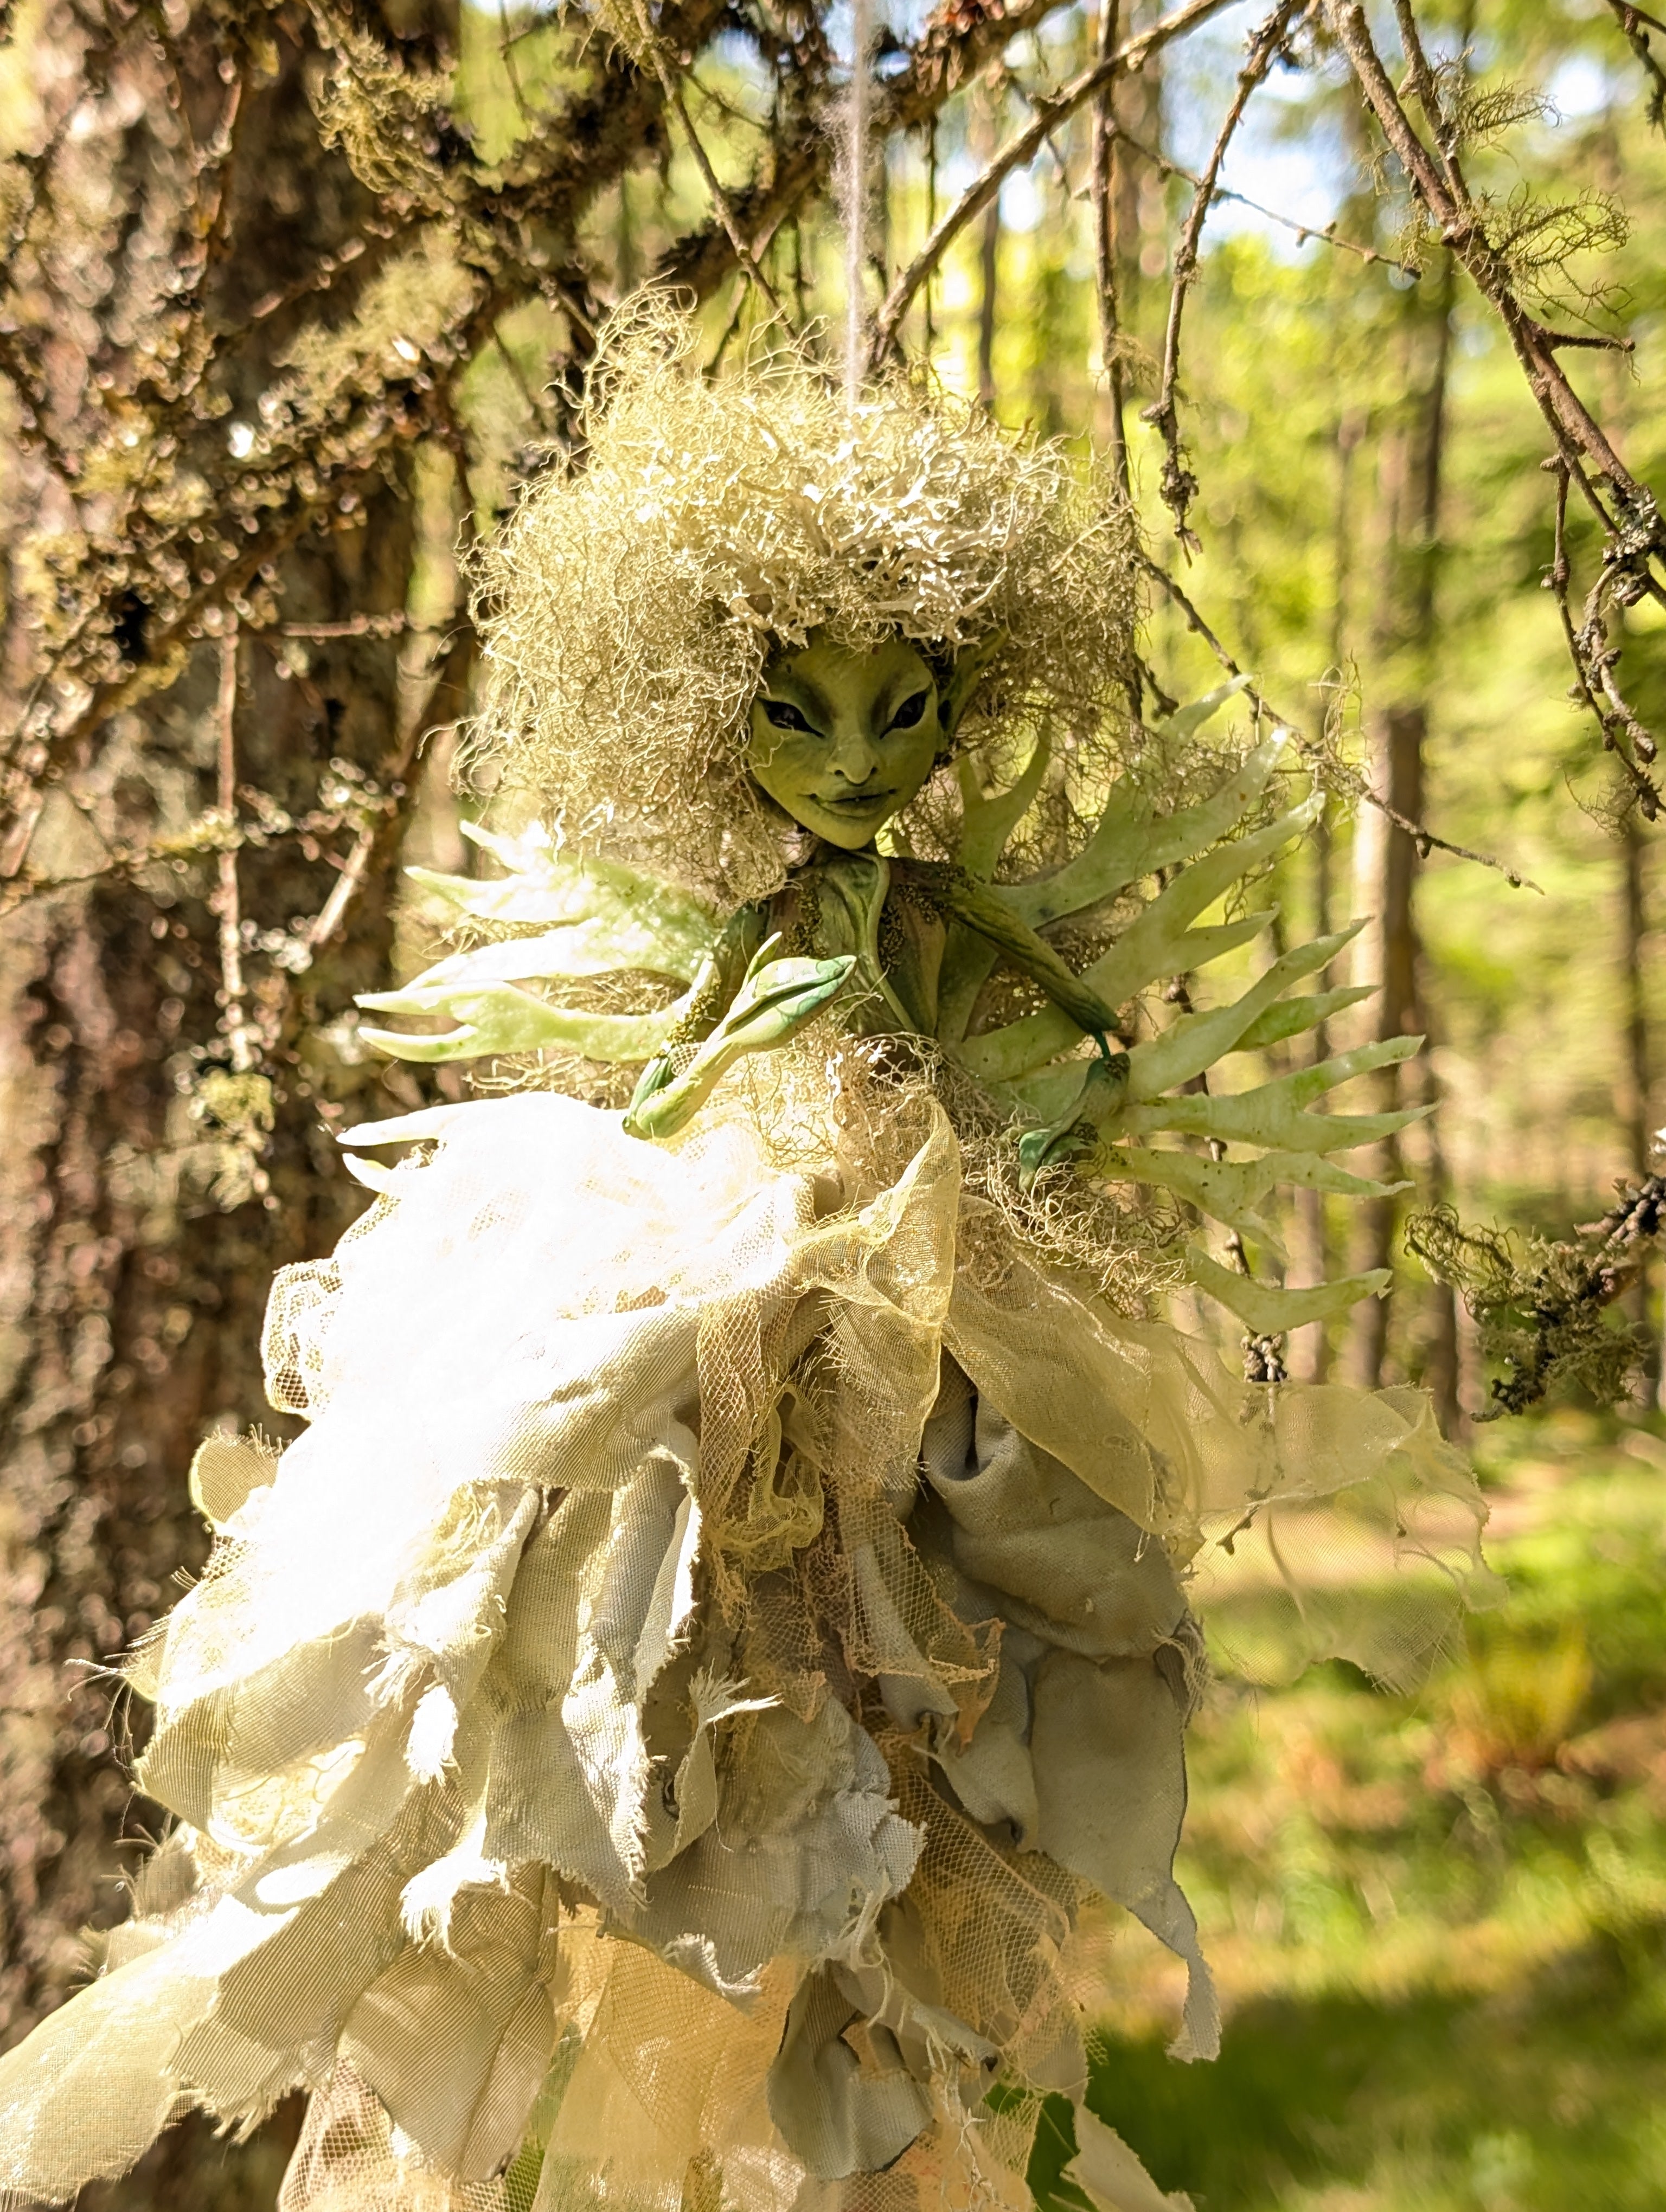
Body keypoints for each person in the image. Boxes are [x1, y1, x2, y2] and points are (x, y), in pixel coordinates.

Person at [0, 299, 1490, 2212]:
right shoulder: (743, 925)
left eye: (908, 706)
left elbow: (1057, 1036)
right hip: (739, 1244)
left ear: (972, 695)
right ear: (718, 715)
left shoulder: (950, 920)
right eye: (802, 710)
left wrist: (1039, 1118)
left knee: (920, 1613)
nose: (861, 761)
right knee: (607, 1510)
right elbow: (687, 1053)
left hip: (929, 1291)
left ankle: (846, 1951)